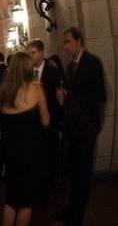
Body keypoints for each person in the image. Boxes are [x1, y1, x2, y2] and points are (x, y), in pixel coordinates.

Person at [56, 27, 106, 226]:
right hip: (72, 129)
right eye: (64, 43)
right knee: (73, 174)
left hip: (86, 129)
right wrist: (63, 99)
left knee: (83, 176)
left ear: (79, 41)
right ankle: (69, 210)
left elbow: (99, 97)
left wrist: (93, 127)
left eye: (67, 42)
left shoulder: (92, 63)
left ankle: (76, 217)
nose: (65, 46)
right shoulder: (69, 67)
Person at [0, 51, 50, 226]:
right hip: (31, 152)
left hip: (11, 152)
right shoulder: (36, 89)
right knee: (26, 203)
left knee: (11, 200)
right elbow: (46, 121)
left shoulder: (5, 92)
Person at [27, 39, 64, 185]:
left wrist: (58, 122)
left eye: (33, 53)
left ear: (42, 53)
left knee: (50, 157)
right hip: (32, 125)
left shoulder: (54, 72)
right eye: (28, 54)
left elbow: (59, 100)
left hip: (50, 123)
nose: (31, 57)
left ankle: (49, 186)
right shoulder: (27, 74)